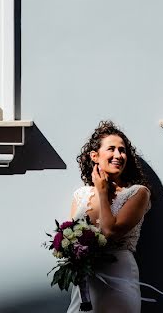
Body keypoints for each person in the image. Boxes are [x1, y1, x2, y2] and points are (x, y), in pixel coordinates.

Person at [67, 121, 152, 312]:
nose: (118, 155)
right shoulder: (80, 195)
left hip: (119, 274)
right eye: (111, 149)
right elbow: (71, 239)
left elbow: (110, 231)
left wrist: (102, 192)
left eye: (122, 151)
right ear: (95, 156)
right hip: (86, 279)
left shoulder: (138, 193)